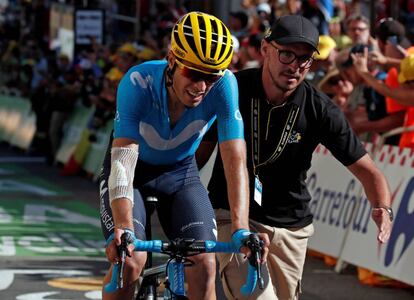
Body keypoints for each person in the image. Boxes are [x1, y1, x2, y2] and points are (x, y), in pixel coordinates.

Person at [197, 15, 393, 300]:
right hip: (234, 216)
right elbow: (199, 153)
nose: (295, 66)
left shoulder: (321, 109)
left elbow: (368, 171)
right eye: (286, 53)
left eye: (304, 59)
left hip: (291, 227)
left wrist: (382, 208)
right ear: (265, 49)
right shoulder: (232, 89)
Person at [99, 11, 269, 300]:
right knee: (130, 262)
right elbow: (123, 162)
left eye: (211, 76)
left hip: (180, 175)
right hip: (134, 174)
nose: (201, 86)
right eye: (193, 73)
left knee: (204, 264)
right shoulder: (138, 82)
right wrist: (124, 228)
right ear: (172, 60)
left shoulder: (226, 84)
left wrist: (241, 227)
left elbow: (235, 158)